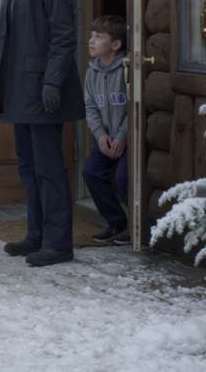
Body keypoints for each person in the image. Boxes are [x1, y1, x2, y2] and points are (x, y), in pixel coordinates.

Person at [0, 0, 86, 267]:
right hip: (20, 88)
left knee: (49, 167)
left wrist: (52, 83)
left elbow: (64, 37)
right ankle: (37, 235)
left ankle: (59, 242)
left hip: (44, 90)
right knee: (28, 165)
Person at [82, 15, 130, 246]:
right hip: (105, 138)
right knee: (91, 172)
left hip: (128, 138)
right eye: (91, 35)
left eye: (99, 36)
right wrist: (100, 134)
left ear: (115, 44)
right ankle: (117, 222)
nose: (91, 40)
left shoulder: (127, 70)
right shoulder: (91, 73)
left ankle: (139, 225)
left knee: (124, 176)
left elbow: (136, 108)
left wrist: (122, 136)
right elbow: (90, 107)